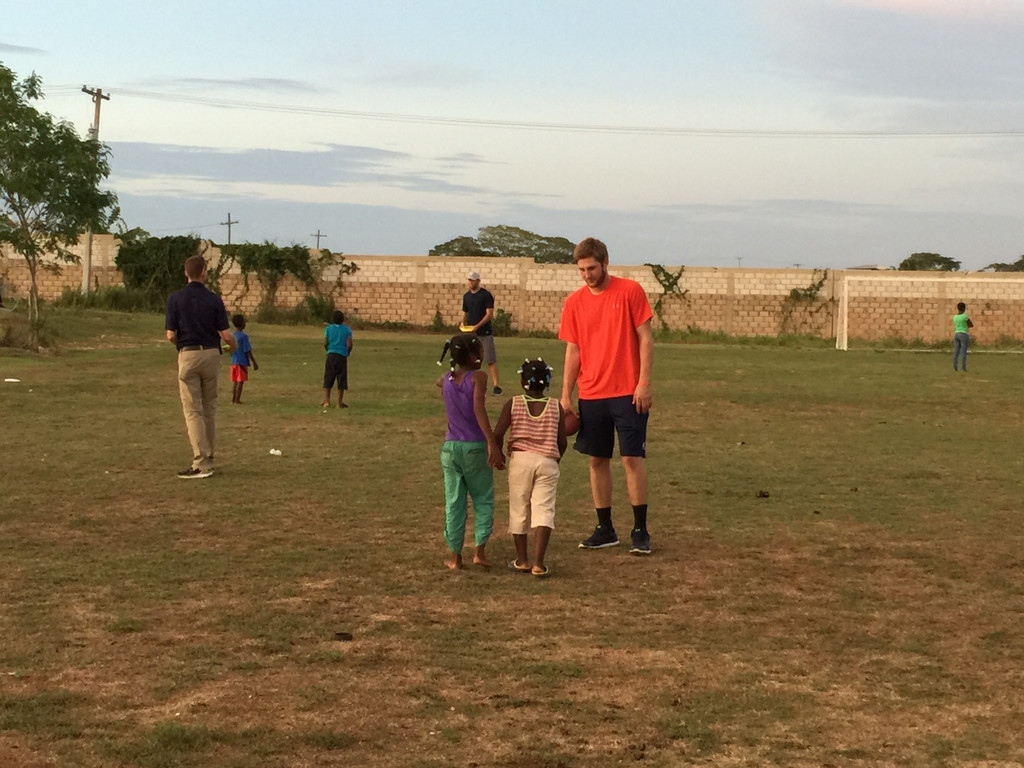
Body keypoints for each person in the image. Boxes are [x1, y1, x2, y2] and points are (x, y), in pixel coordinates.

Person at [558, 237, 654, 555]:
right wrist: (566, 395)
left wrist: (643, 383)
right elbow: (573, 350)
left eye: (592, 268)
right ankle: (605, 529)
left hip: (628, 392)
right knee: (597, 460)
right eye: (582, 270)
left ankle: (640, 530)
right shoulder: (574, 303)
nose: (587, 275)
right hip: (591, 393)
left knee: (631, 459)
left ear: (605, 263)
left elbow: (645, 339)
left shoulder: (630, 291)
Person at [493, 358, 567, 577]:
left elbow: (498, 433)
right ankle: (538, 563)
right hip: (547, 461)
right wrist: (555, 459)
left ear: (522, 380)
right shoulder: (556, 406)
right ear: (547, 382)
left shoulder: (513, 403)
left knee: (519, 508)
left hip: (521, 461)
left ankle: (522, 560)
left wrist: (499, 454)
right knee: (544, 509)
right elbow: (562, 441)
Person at [436, 333, 503, 570]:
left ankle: (455, 557)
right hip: (474, 447)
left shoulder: (447, 379)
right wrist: (492, 443)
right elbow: (478, 409)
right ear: (474, 356)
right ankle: (479, 552)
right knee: (483, 498)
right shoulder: (479, 377)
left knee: (454, 503)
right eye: (480, 352)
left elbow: (440, 381)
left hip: (450, 448)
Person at [165, 255, 236, 479]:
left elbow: (170, 335)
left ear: (186, 273)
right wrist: (233, 347)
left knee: (193, 409)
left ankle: (200, 462)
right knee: (209, 408)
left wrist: (182, 347)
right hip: (212, 354)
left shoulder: (175, 299)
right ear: (204, 272)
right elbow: (226, 334)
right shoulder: (214, 299)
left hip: (188, 353)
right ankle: (210, 456)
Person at [462, 270, 502, 395]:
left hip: (485, 332)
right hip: (471, 333)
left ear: (478, 281)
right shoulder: (466, 296)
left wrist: (477, 326)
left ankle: (496, 386)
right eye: (469, 280)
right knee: (470, 360)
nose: (470, 282)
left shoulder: (486, 295)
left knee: (490, 359)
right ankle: (469, 384)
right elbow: (465, 313)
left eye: (473, 280)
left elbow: (489, 314)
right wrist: (463, 324)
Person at [322, 310, 353, 408]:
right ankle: (339, 403)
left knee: (328, 377)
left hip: (331, 355)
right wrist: (348, 352)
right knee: (341, 379)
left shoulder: (328, 329)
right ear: (343, 319)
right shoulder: (347, 330)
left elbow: (325, 342)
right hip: (341, 356)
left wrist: (328, 350)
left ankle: (326, 402)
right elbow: (349, 344)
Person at [230, 314, 258, 404]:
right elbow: (247, 350)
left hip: (233, 361)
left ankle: (233, 399)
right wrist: (254, 362)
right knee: (240, 381)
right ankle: (237, 400)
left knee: (235, 381)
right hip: (241, 362)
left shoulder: (232, 335)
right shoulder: (244, 336)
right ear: (242, 323)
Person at [953, 301, 974, 372]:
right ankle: (963, 368)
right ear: (964, 308)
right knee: (963, 351)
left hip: (956, 333)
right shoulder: (965, 316)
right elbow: (971, 324)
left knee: (956, 351)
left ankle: (955, 367)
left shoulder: (955, 317)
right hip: (964, 334)